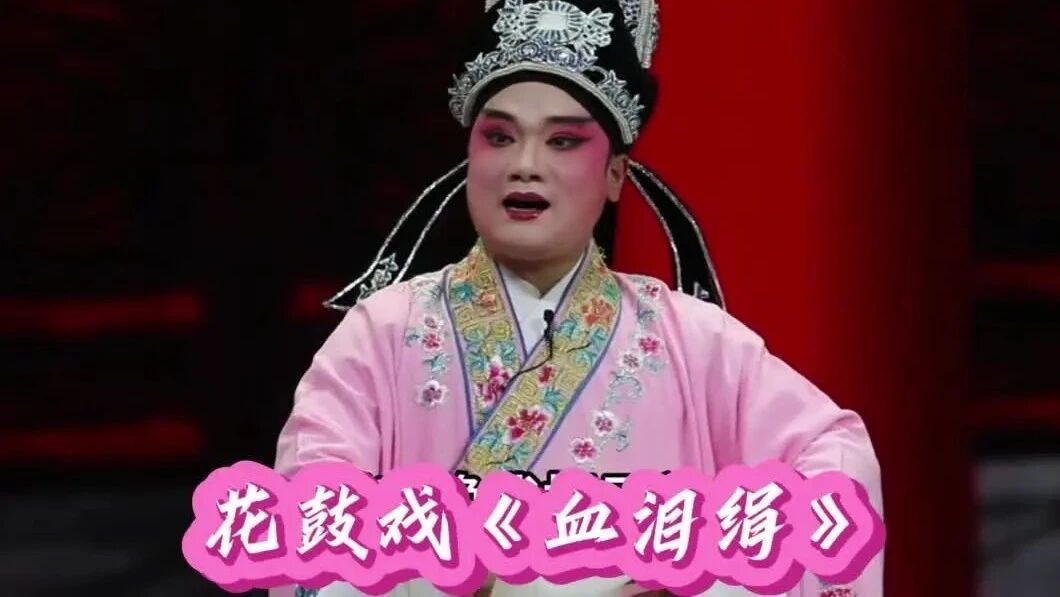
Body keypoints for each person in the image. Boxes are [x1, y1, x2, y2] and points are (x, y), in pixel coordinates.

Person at [272, 1, 883, 595]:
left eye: (563, 141)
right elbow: (313, 527)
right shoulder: (379, 335)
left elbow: (835, 467)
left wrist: (711, 585)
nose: (525, 164)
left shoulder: (695, 342)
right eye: (499, 136)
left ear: (615, 174)